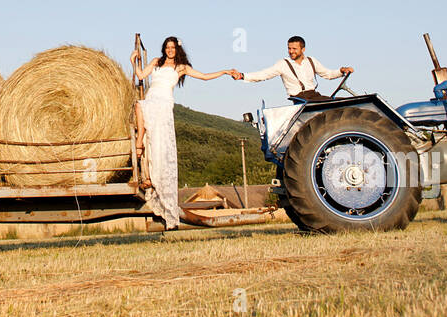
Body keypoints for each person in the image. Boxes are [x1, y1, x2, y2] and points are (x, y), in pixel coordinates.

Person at [131, 36, 240, 230]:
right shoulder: (156, 62)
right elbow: (140, 76)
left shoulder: (181, 68)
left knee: (159, 143)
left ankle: (145, 155)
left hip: (164, 103)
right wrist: (133, 62)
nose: (170, 50)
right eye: (167, 47)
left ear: (177, 50)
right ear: (164, 49)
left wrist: (224, 71)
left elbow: (205, 76)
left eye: (173, 48)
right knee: (140, 107)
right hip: (152, 98)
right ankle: (140, 143)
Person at [234, 35, 352, 101]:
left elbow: (328, 74)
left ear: (303, 49)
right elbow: (264, 74)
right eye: (289, 48)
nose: (291, 51)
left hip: (314, 96)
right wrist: (242, 76)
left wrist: (341, 71)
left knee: (343, 102)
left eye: (294, 49)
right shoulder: (283, 64)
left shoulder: (311, 61)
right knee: (334, 104)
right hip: (300, 99)